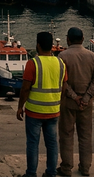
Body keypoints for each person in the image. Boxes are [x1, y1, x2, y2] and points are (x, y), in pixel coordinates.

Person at [17, 31, 67, 177]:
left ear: (38, 45)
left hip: (34, 111)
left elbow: (25, 88)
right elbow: (64, 87)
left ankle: (31, 173)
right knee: (52, 144)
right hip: (53, 111)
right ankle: (51, 173)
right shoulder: (61, 63)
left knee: (33, 143)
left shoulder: (33, 63)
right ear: (52, 46)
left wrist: (20, 107)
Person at [57, 27, 94, 176]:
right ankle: (85, 168)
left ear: (68, 39)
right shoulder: (92, 56)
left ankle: (66, 168)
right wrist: (85, 98)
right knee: (85, 136)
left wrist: (74, 96)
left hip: (68, 103)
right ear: (83, 39)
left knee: (66, 135)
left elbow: (62, 82)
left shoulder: (62, 56)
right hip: (87, 104)